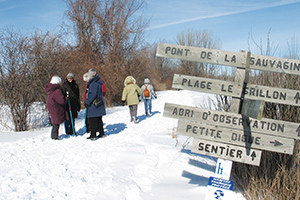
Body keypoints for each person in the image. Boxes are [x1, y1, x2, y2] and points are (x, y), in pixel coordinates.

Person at [84, 68, 106, 140]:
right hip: (99, 104)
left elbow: (92, 94)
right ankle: (101, 133)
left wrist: (87, 102)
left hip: (94, 105)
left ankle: (93, 135)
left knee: (92, 120)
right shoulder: (98, 82)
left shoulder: (93, 84)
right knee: (99, 119)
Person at [45, 75, 67, 140]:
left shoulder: (50, 89)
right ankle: (54, 137)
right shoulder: (57, 90)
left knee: (55, 122)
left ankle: (54, 136)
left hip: (52, 107)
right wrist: (66, 98)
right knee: (56, 123)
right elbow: (61, 101)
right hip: (56, 108)